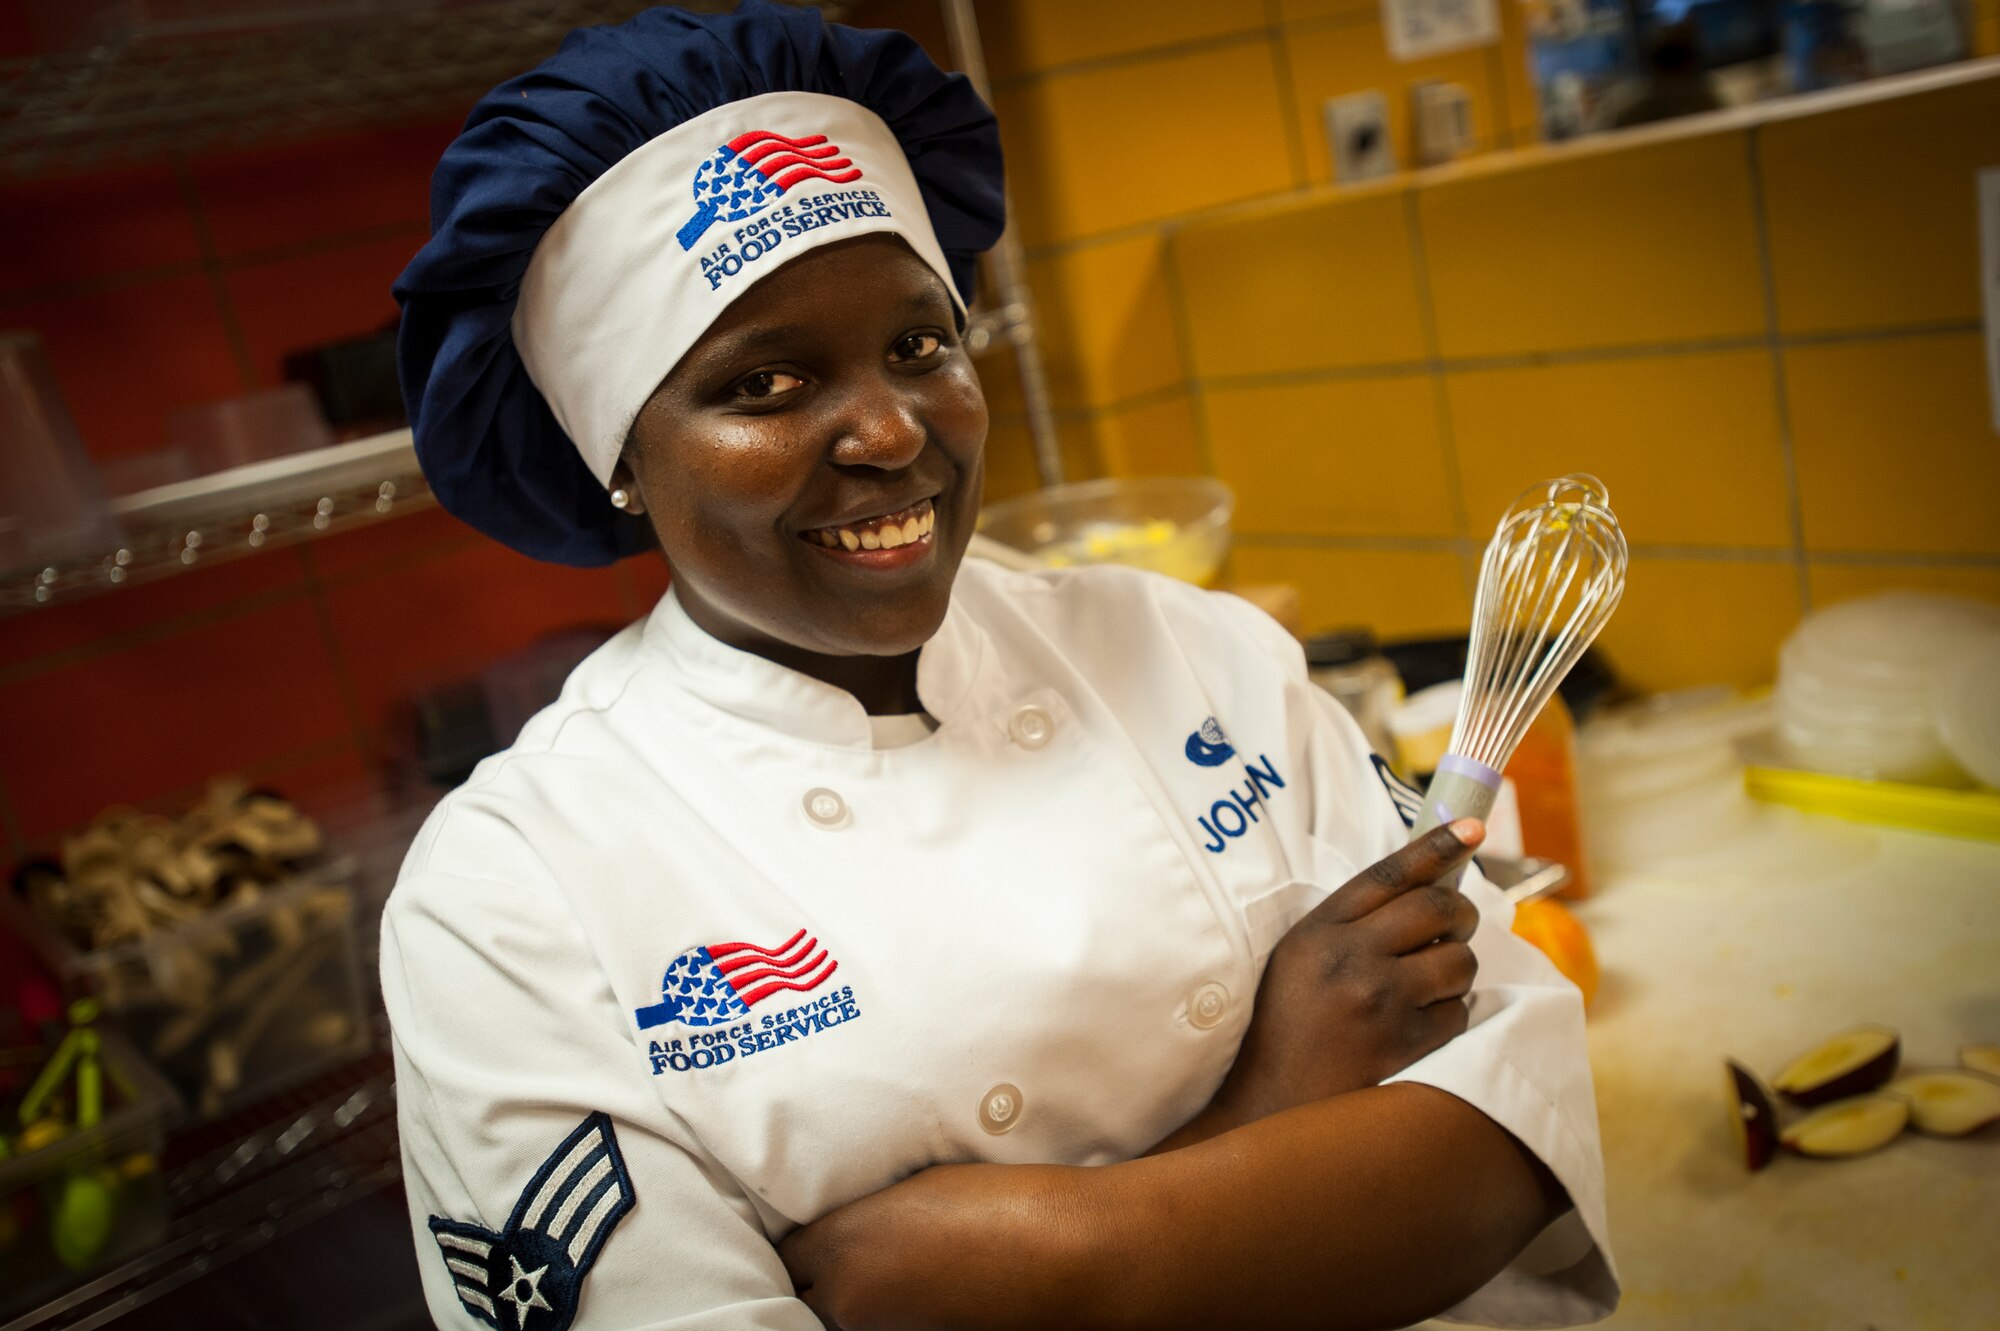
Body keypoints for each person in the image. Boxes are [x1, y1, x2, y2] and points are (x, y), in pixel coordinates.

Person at [385, 5, 1618, 1329]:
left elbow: (1518, 1141)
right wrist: (1273, 1119)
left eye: (922, 344)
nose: (889, 428)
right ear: (618, 454)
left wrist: (1058, 1259)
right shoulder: (514, 894)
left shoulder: (1189, 647)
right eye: (768, 383)